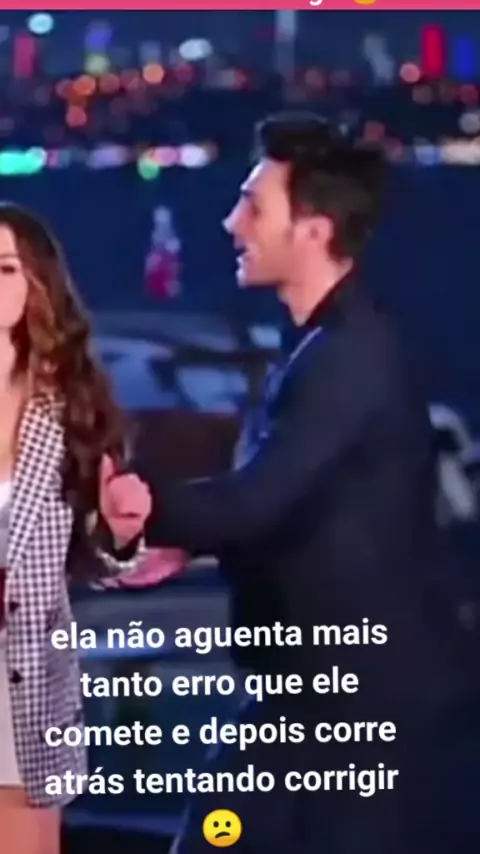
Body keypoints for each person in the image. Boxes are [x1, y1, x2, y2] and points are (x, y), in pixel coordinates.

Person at [117, 115, 477, 852]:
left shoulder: (352, 355)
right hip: (302, 704)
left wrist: (137, 506)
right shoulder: (323, 348)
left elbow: (257, 500)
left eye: (253, 206)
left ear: (314, 229)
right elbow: (291, 504)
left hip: (367, 716)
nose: (232, 222)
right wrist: (193, 541)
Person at [0, 203, 157, 854]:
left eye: (4, 269)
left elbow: (99, 561)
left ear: (36, 286)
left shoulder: (69, 412)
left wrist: (120, 531)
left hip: (25, 687)